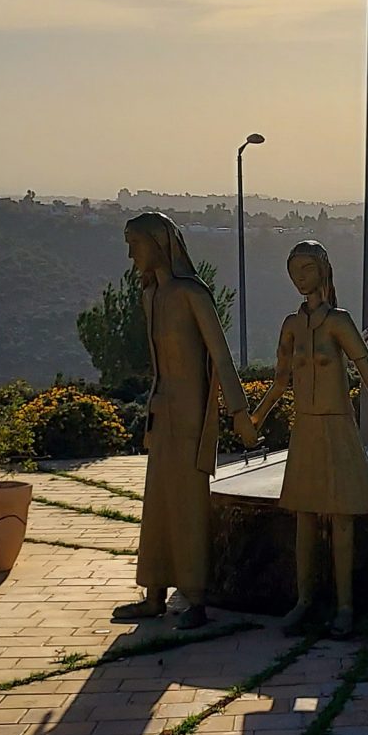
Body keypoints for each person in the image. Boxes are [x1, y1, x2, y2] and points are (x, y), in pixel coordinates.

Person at [249, 241, 368, 636]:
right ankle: (304, 600)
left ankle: (345, 606)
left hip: (337, 426)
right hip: (306, 428)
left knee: (342, 517)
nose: (300, 278)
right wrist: (255, 418)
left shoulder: (339, 322)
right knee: (305, 516)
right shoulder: (291, 326)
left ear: (324, 270)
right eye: (294, 270)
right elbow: (280, 382)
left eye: (307, 269)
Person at [122, 212, 257, 627]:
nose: (131, 254)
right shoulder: (152, 296)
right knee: (158, 503)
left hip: (191, 417)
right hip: (162, 413)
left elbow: (220, 355)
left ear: (158, 245)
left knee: (188, 505)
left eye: (135, 244)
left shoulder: (191, 294)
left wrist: (239, 412)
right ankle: (154, 593)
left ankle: (195, 597)